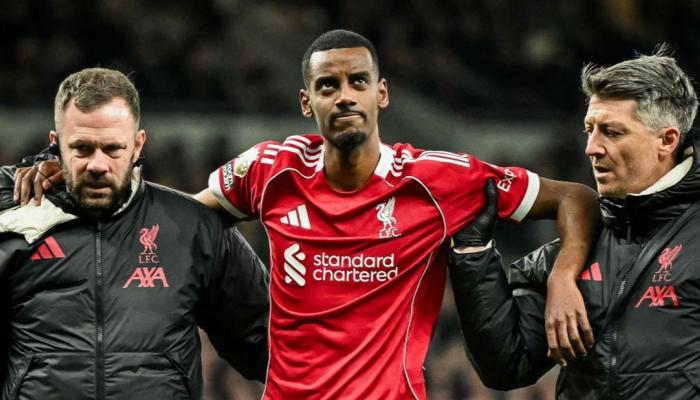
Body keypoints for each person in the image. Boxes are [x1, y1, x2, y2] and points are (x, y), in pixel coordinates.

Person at [13, 30, 598, 399]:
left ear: (381, 94)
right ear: (306, 100)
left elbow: (576, 197)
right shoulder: (271, 169)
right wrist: (77, 175)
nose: (344, 95)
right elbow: (172, 222)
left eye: (357, 82)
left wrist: (564, 277)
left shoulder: (439, 179)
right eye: (327, 85)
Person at [0, 68, 270, 400]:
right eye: (82, 148)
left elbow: (267, 345)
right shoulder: (16, 219)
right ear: (55, 144)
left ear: (138, 144)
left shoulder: (193, 227)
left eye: (113, 148)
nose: (98, 165)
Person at [449, 47, 700, 399]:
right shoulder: (573, 251)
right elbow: (506, 364)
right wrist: (473, 253)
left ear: (667, 140)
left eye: (612, 132)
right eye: (589, 129)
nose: (591, 148)